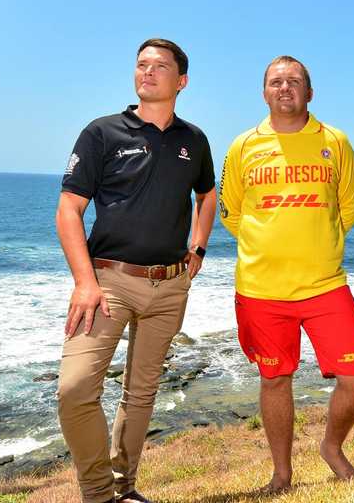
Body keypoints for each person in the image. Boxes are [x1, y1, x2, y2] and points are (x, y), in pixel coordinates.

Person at [56, 39, 217, 503]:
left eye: (159, 66)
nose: (147, 72)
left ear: (180, 81)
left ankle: (125, 489)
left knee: (141, 393)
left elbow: (206, 196)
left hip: (170, 287)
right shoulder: (102, 133)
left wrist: (198, 248)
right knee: (75, 389)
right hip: (109, 282)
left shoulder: (194, 140)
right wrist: (85, 283)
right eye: (141, 64)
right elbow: (69, 210)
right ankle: (97, 492)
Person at [219, 55, 354, 494]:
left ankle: (331, 446)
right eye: (275, 82)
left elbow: (348, 208)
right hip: (261, 288)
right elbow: (231, 212)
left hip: (325, 284)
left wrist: (315, 244)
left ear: (310, 92)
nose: (284, 88)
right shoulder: (242, 146)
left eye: (294, 81)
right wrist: (271, 245)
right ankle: (282, 474)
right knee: (274, 379)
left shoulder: (335, 141)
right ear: (264, 91)